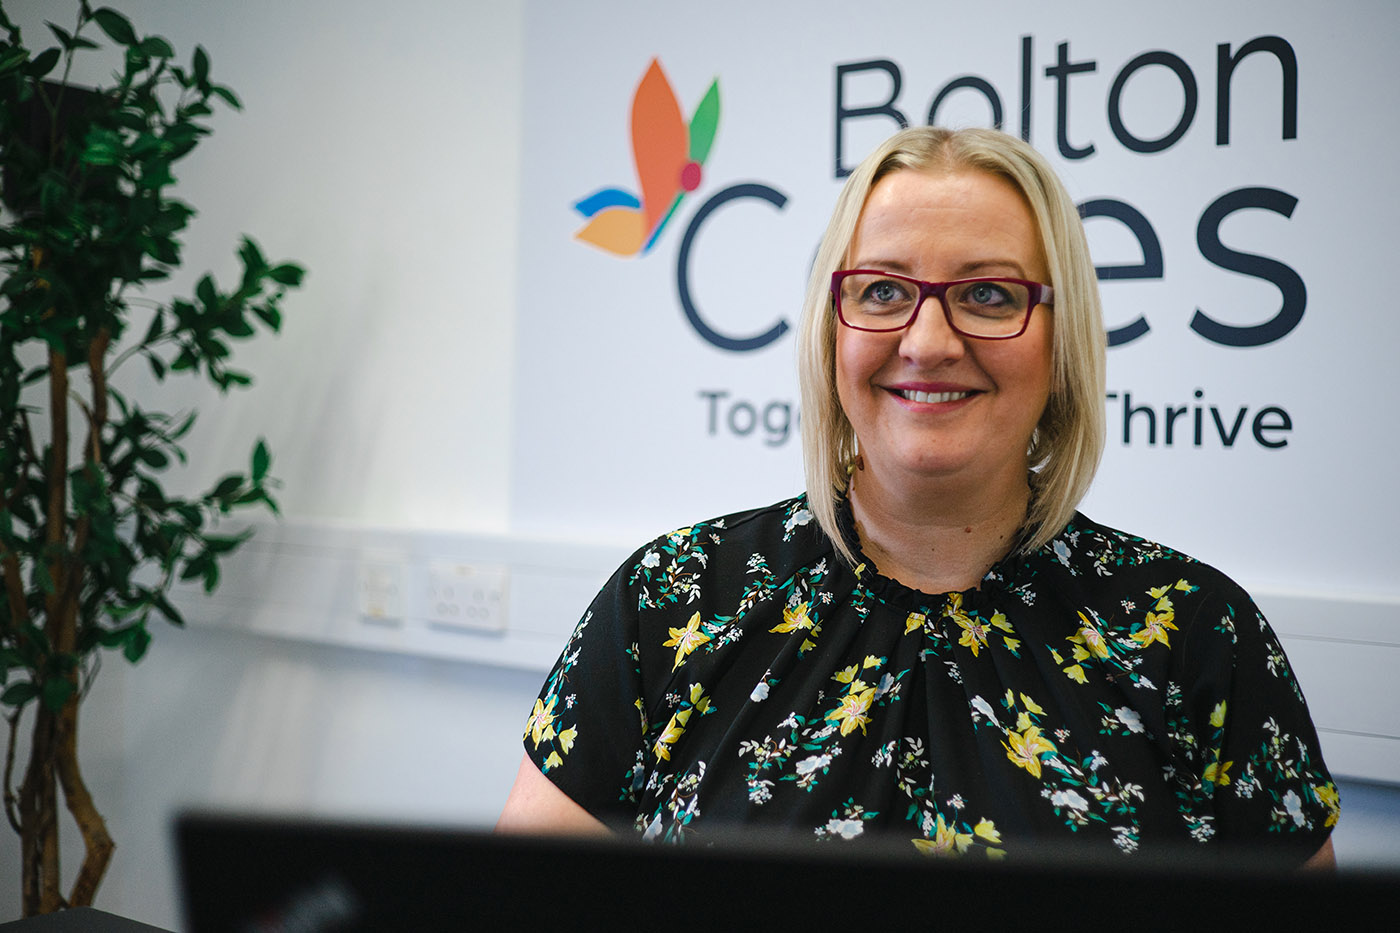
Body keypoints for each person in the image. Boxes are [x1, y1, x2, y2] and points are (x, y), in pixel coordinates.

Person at [496, 126, 1339, 867]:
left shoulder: (1197, 634)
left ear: (1061, 338)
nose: (928, 342)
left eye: (989, 294)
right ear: (833, 331)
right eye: (883, 291)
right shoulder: (670, 602)